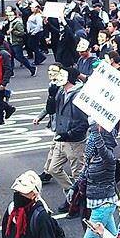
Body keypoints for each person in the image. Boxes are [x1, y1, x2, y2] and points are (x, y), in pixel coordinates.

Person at [54, 120, 119, 238]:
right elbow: (84, 172)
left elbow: (104, 152)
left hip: (103, 203)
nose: (88, 142)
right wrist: (73, 188)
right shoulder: (93, 158)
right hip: (98, 202)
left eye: (92, 139)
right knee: (116, 237)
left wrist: (96, 131)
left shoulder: (108, 157)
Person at [40, 67, 88, 201]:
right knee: (53, 169)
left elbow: (84, 123)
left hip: (74, 142)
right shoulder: (61, 91)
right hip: (60, 139)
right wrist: (51, 95)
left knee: (78, 174)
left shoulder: (78, 95)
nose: (57, 77)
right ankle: (71, 193)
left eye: (62, 75)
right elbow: (51, 110)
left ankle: (79, 201)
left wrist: (69, 134)